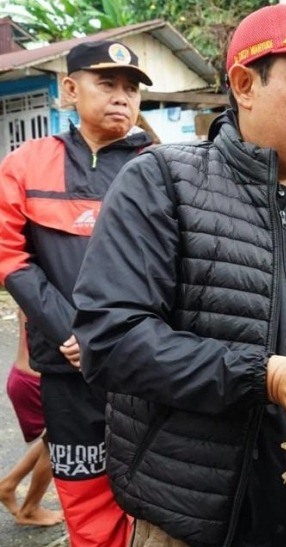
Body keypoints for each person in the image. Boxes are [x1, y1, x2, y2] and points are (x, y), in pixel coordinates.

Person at [71, 4, 286, 546]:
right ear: (244, 85)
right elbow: (111, 338)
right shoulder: (163, 184)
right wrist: (267, 376)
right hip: (195, 516)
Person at [0, 40, 154, 546]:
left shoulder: (161, 170)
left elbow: (170, 268)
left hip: (142, 366)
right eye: (106, 84)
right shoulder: (25, 165)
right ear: (69, 89)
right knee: (85, 490)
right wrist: (72, 330)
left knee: (156, 489)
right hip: (66, 371)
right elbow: (10, 257)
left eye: (131, 89)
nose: (121, 97)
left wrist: (106, 334)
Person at [0, 309, 63, 527]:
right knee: (59, 445)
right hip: (37, 381)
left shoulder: (29, 284)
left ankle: (8, 486)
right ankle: (30, 509)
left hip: (23, 375)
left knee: (51, 438)